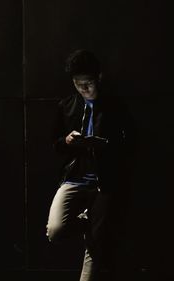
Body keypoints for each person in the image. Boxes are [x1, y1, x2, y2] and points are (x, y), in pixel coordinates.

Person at [46, 49, 130, 281]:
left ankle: (93, 228)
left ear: (99, 78)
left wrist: (108, 146)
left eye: (89, 83)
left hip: (105, 180)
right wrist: (67, 140)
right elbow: (54, 143)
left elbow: (131, 141)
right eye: (78, 84)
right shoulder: (67, 106)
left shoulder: (114, 106)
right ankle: (86, 220)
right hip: (75, 176)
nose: (84, 89)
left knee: (95, 242)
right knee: (55, 230)